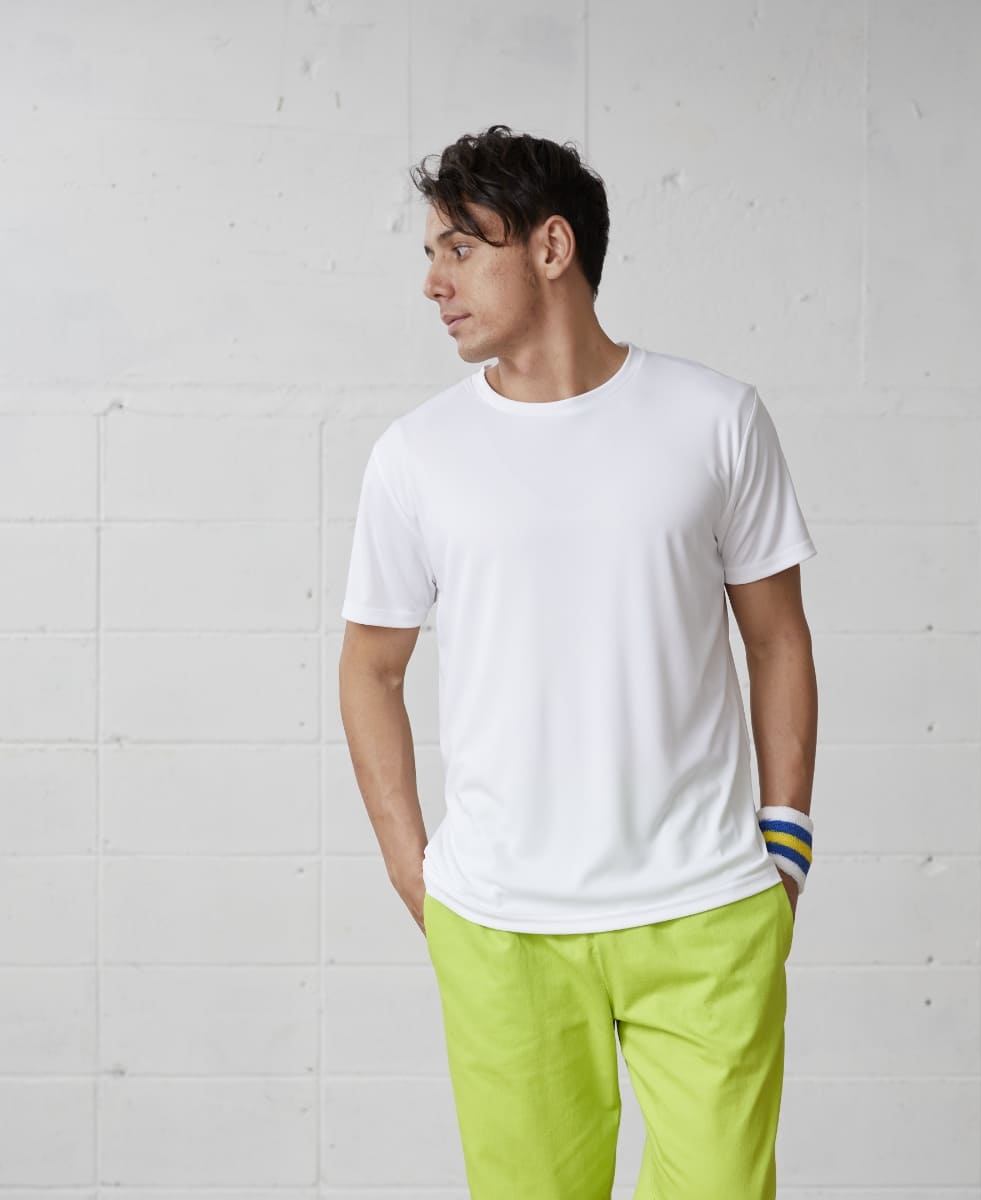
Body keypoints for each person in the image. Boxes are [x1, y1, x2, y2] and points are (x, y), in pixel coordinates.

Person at [338, 123, 819, 1200]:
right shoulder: (416, 455)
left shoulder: (715, 418)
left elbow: (777, 637)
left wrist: (785, 839)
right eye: (432, 253)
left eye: (462, 248)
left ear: (551, 248)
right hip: (502, 925)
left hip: (706, 906)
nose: (433, 282)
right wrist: (416, 871)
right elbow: (370, 669)